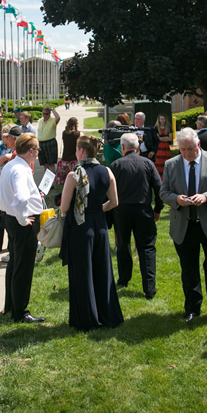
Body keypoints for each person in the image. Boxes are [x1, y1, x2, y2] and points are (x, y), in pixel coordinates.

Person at [160, 128, 207, 322]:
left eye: (190, 149)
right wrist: (177, 199)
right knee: (189, 269)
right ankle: (192, 308)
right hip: (185, 225)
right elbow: (163, 192)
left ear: (198, 144)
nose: (186, 154)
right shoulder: (171, 164)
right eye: (182, 150)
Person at [60, 135, 123, 330]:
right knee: (103, 271)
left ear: (80, 151)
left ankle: (87, 318)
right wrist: (97, 210)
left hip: (81, 227)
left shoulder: (74, 175)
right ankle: (107, 314)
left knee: (83, 272)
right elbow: (114, 202)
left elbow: (63, 207)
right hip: (100, 226)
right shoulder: (107, 171)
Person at [0, 133, 46, 323]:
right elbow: (20, 197)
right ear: (31, 150)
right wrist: (22, 218)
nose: (37, 153)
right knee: (23, 267)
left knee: (14, 263)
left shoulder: (12, 165)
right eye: (36, 149)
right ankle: (20, 311)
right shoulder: (20, 169)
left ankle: (11, 304)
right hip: (22, 222)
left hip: (11, 219)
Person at [110, 132, 163, 299]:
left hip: (122, 211)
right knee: (146, 247)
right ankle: (149, 287)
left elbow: (108, 191)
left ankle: (124, 279)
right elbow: (159, 188)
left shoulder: (116, 165)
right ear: (138, 147)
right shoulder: (148, 164)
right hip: (143, 210)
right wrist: (158, 209)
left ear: (123, 147)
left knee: (123, 245)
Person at [0, 124, 22, 253]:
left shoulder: (18, 148)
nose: (3, 138)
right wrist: (5, 158)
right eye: (2, 135)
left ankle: (10, 245)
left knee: (10, 213)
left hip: (10, 186)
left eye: (6, 136)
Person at [54, 117, 81, 187]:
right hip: (74, 159)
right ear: (76, 124)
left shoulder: (64, 133)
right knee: (75, 180)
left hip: (65, 159)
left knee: (66, 181)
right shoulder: (78, 134)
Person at [36, 105, 61, 176]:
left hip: (50, 142)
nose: (45, 115)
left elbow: (58, 117)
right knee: (45, 164)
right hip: (41, 143)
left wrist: (52, 109)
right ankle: (46, 182)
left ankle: (52, 182)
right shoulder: (41, 121)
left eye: (46, 114)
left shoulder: (52, 120)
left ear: (49, 114)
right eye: (43, 113)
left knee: (51, 164)